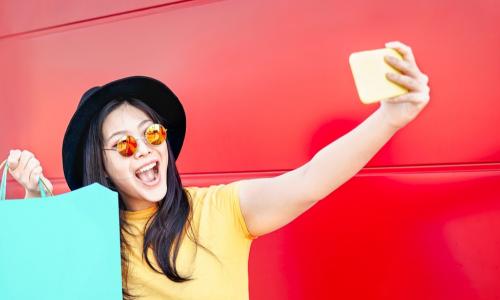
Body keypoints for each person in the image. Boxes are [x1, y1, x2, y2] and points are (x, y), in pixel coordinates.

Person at [5, 41, 430, 300]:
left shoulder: (220, 210)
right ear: (105, 167)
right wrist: (34, 205)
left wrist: (390, 118)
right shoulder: (91, 237)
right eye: (124, 145)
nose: (145, 151)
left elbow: (309, 180)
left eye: (150, 134)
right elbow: (42, 283)